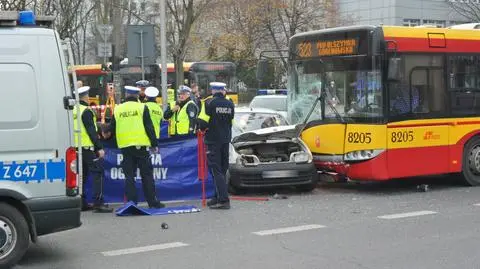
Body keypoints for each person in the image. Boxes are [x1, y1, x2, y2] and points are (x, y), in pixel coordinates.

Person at [109, 86, 165, 208]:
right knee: (147, 175)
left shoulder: (118, 109)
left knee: (129, 176)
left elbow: (112, 127)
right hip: (141, 145)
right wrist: (154, 144)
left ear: (126, 95)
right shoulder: (142, 107)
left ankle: (131, 202)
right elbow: (149, 127)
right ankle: (152, 202)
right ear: (137, 96)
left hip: (125, 146)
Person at [73, 86, 113, 213]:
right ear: (85, 96)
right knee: (98, 172)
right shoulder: (87, 111)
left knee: (81, 176)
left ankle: (81, 202)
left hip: (75, 147)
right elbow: (91, 131)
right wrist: (99, 148)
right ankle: (98, 202)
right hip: (87, 147)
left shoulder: (73, 110)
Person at [197, 82, 235, 210]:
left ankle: (224, 200)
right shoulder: (230, 104)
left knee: (216, 171)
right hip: (225, 140)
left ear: (213, 91)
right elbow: (231, 122)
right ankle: (217, 196)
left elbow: (202, 123)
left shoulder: (209, 103)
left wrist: (200, 126)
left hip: (213, 141)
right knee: (222, 170)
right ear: (223, 91)